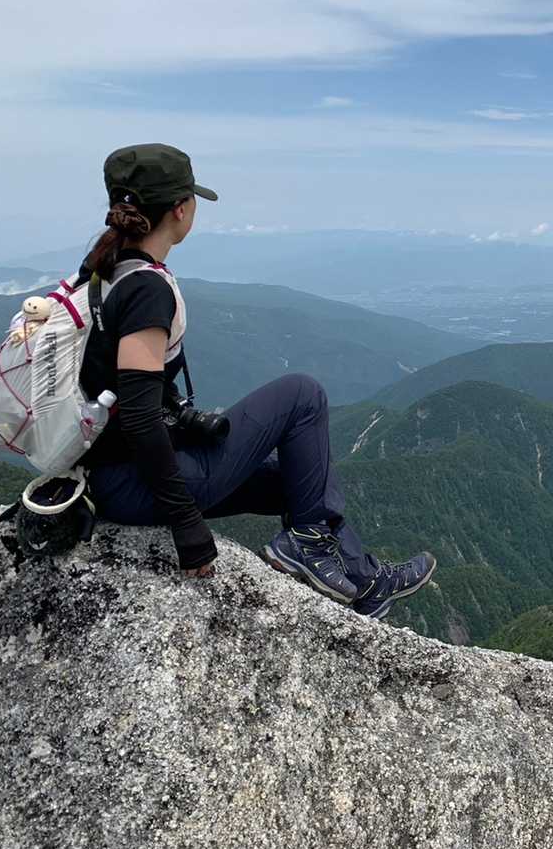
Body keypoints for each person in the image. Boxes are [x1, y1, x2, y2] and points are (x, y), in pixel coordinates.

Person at [77, 143, 435, 619]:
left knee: (302, 478)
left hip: (115, 475)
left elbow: (131, 400)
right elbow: (141, 417)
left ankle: (364, 583)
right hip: (136, 483)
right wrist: (186, 524)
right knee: (303, 394)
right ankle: (309, 546)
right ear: (181, 209)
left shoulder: (102, 273)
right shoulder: (145, 289)